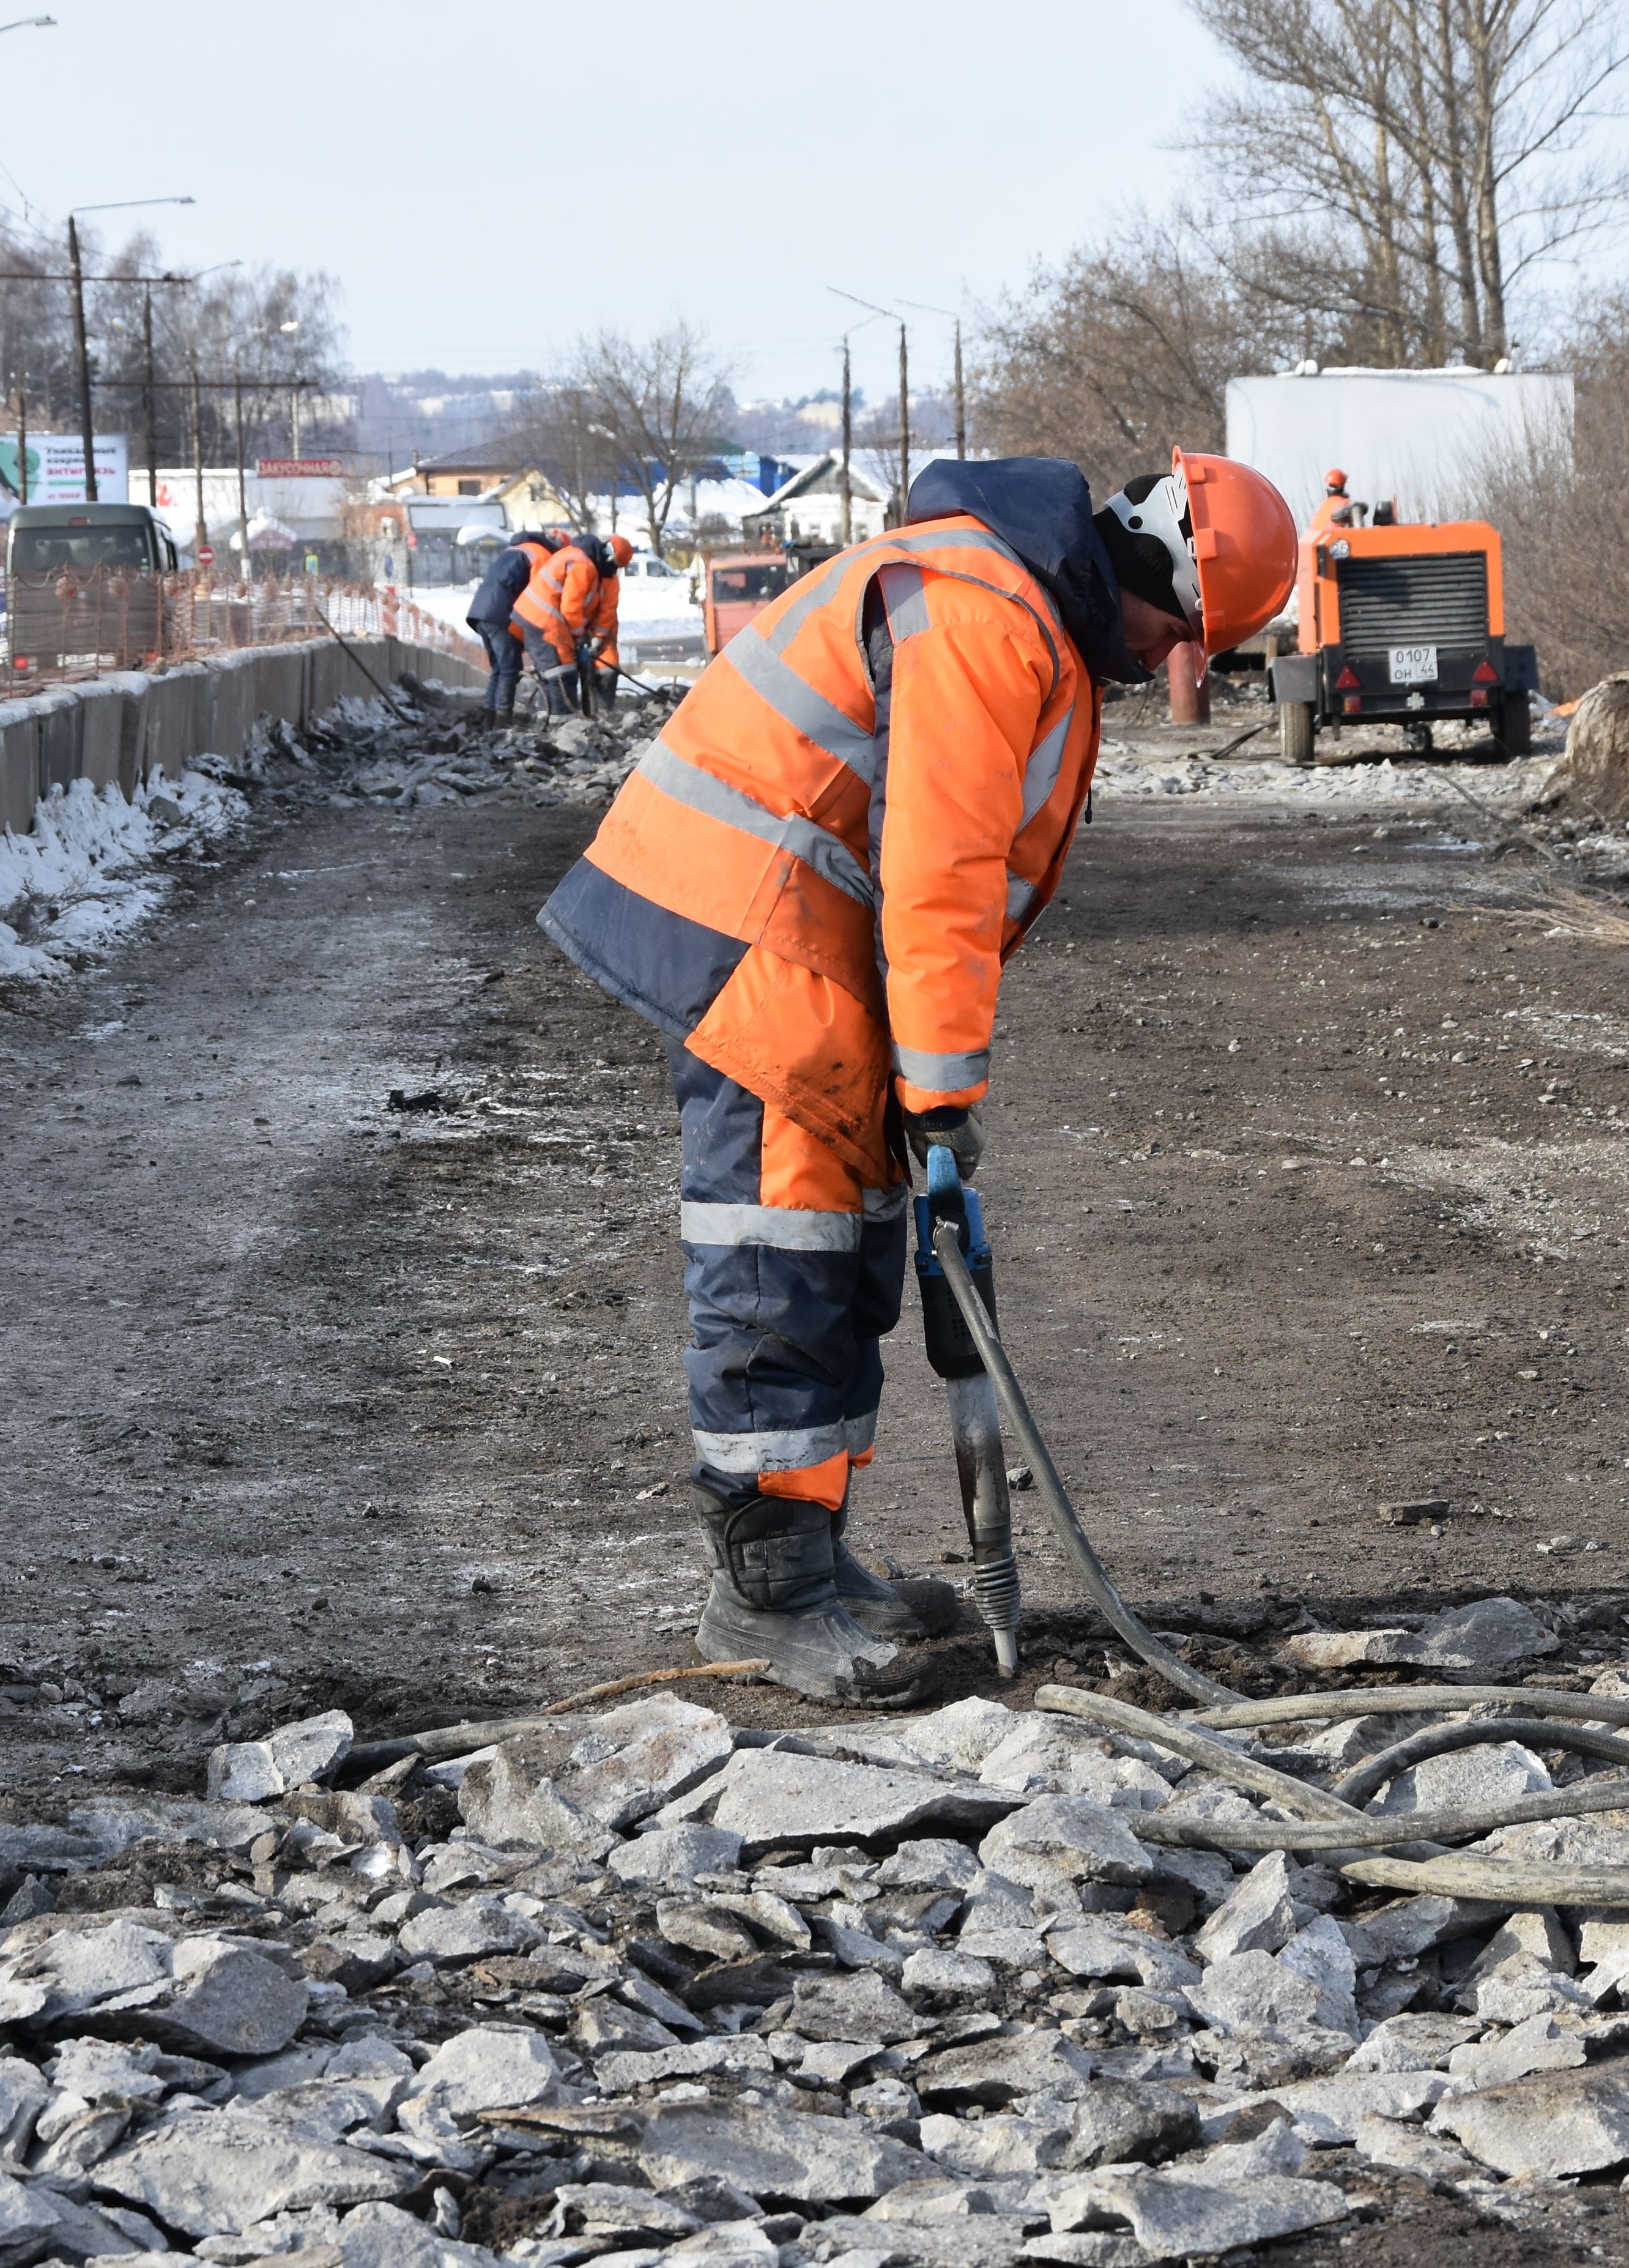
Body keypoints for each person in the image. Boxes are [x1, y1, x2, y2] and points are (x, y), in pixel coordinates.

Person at [538, 450, 1297, 1700]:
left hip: (807, 938)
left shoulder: (1019, 607)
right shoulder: (989, 612)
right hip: (749, 928)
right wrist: (941, 1091)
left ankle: (808, 1556)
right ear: (1155, 567)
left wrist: (920, 1083)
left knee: (848, 1256)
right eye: (1180, 632)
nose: (1168, 660)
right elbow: (942, 868)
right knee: (781, 1254)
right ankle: (763, 1589)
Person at [514, 530, 603, 716]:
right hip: (545, 620)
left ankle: (547, 718)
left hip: (533, 616)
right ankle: (562, 722)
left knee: (550, 673)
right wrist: (579, 635)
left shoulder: (569, 554)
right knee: (562, 670)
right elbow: (571, 608)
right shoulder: (584, 565)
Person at [466, 530, 551, 717]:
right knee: (510, 668)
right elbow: (542, 595)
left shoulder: (513, 551)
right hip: (499, 613)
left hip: (480, 612)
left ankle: (490, 717)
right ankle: (502, 718)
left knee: (499, 668)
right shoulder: (541, 555)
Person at [584, 535, 633, 710]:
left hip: (601, 640)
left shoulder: (610, 580)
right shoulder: (583, 568)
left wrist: (597, 638)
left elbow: (608, 612)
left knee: (608, 670)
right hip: (579, 632)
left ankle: (602, 713)